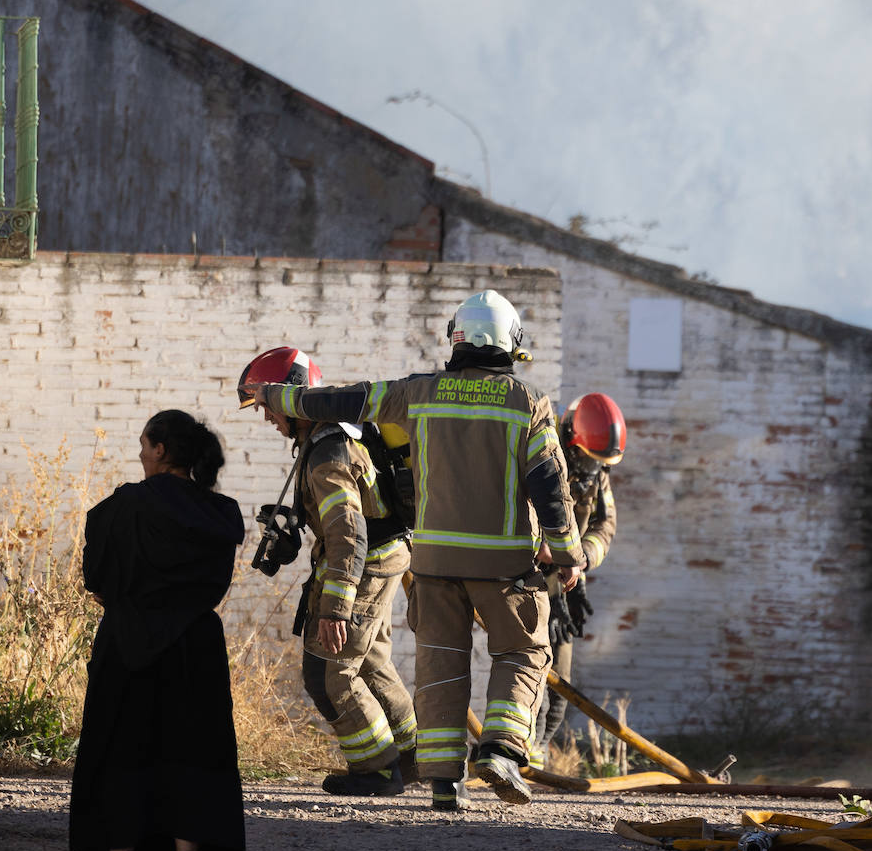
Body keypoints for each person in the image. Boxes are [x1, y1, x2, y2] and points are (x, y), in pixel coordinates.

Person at [248, 290, 584, 810]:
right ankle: (500, 751)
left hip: (433, 564)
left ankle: (445, 784)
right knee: (521, 652)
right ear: (511, 344)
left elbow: (338, 400)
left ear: (455, 337)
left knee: (440, 666)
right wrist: (567, 558)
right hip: (505, 565)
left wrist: (278, 396)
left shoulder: (417, 392)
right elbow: (551, 490)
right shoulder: (528, 403)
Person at [69, 409, 246, 851]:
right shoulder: (221, 513)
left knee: (124, 744)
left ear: (161, 450)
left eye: (145, 445)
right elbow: (215, 585)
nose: (141, 454)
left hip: (129, 641)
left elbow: (97, 581)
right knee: (192, 747)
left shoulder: (123, 506)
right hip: (196, 646)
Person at [238, 347, 418, 797]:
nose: (266, 418)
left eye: (267, 406)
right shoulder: (329, 439)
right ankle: (412, 755)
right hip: (379, 558)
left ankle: (376, 769)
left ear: (290, 400)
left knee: (328, 674)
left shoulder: (327, 454)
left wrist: (336, 609)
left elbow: (349, 534)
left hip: (363, 564)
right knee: (370, 661)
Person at [531, 392, 625, 768]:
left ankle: (537, 752)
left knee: (560, 683)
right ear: (572, 440)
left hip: (565, 588)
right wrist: (543, 547)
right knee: (530, 671)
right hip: (528, 581)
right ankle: (518, 751)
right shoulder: (540, 453)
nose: (593, 467)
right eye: (589, 458)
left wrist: (582, 556)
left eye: (601, 462)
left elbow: (606, 524)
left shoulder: (596, 473)